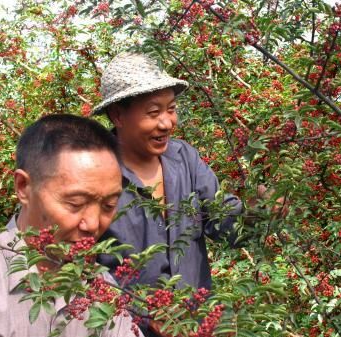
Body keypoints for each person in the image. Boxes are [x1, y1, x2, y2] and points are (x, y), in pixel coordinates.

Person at [93, 52, 243, 334]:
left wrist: (258, 213)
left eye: (171, 109)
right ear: (118, 115)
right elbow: (75, 264)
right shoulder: (93, 171)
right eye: (153, 113)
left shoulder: (184, 158)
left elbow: (222, 225)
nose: (166, 123)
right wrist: (140, 311)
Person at [0, 114, 143, 337]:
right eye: (75, 203)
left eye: (108, 205)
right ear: (23, 187)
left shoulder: (103, 288)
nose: (93, 224)